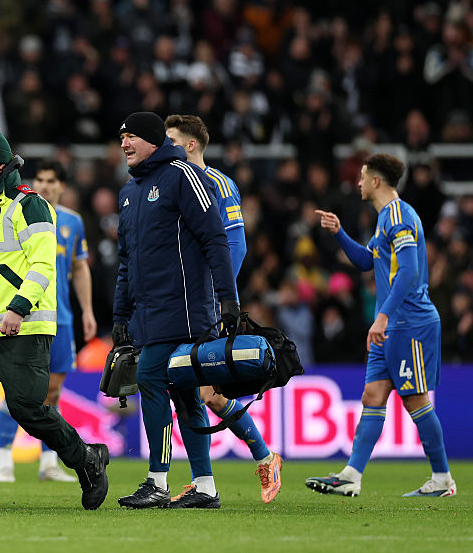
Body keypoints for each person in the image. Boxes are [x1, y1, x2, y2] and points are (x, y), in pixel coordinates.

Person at [0, 127, 109, 511]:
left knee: (28, 408)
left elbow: (43, 265)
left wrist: (18, 308)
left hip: (21, 329)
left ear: (1, 164)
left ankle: (86, 459)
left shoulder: (31, 205)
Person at [307, 154, 456, 498]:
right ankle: (351, 476)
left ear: (376, 181)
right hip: (391, 325)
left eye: (362, 176)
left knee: (415, 400)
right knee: (372, 396)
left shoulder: (400, 216)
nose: (358, 182)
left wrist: (383, 315)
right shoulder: (385, 218)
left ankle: (442, 478)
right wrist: (339, 233)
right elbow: (365, 261)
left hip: (410, 322)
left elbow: (409, 272)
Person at [112, 112, 238, 510]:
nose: (124, 144)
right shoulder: (129, 192)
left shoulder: (185, 176)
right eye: (121, 137)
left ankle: (158, 480)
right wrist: (119, 315)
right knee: (186, 395)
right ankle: (205, 486)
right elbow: (126, 262)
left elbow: (215, 238)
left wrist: (228, 299)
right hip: (149, 312)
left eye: (131, 136)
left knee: (150, 376)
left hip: (185, 308)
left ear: (153, 141)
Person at [164, 114, 282, 504]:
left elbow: (236, 244)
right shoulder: (172, 183)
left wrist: (220, 296)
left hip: (205, 303)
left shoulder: (217, 183)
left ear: (191, 145)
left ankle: (256, 460)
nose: (166, 147)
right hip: (178, 304)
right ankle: (213, 479)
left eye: (172, 141)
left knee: (203, 392)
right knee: (192, 392)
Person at [0, 159, 97, 483]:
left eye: (52, 180)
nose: (45, 186)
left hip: (61, 317)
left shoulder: (72, 222)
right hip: (26, 314)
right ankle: (4, 459)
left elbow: (79, 268)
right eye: (40, 179)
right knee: (17, 389)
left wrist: (87, 310)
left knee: (53, 391)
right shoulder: (19, 215)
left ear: (62, 186)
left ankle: (49, 462)